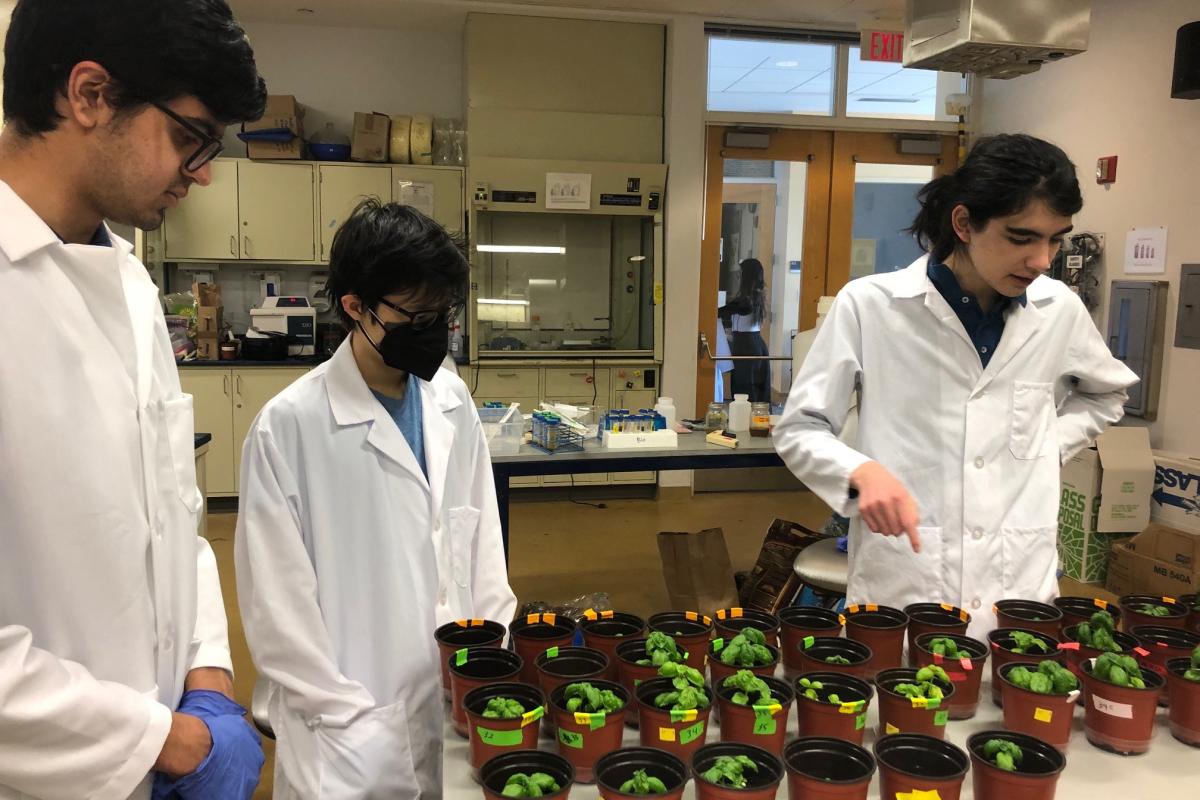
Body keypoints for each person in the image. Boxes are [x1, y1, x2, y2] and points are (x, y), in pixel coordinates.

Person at [0, 1, 267, 798]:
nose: (205, 172)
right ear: (87, 95)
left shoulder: (130, 284)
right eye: (190, 138)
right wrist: (170, 742)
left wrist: (210, 680)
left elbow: (172, 519)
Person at [774, 134, 1137, 639]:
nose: (1041, 260)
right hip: (908, 578)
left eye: (1055, 239)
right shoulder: (871, 306)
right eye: (1021, 237)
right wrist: (860, 471)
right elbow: (801, 427)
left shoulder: (1058, 310)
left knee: (1017, 703)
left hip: (1018, 581)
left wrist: (1046, 442)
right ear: (963, 223)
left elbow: (1106, 392)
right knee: (902, 703)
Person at [235, 200, 518, 798]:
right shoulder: (288, 428)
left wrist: (492, 657)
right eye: (416, 316)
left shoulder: (449, 398)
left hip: (456, 694)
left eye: (442, 314)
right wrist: (347, 718)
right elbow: (277, 610)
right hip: (349, 730)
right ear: (355, 307)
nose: (433, 331)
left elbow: (480, 543)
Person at [718, 257, 771, 403]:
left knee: (746, 388)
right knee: (749, 387)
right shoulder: (754, 295)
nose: (739, 276)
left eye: (741, 273)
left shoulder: (749, 298)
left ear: (746, 276)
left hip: (747, 345)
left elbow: (727, 311)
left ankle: (748, 421)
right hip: (750, 343)